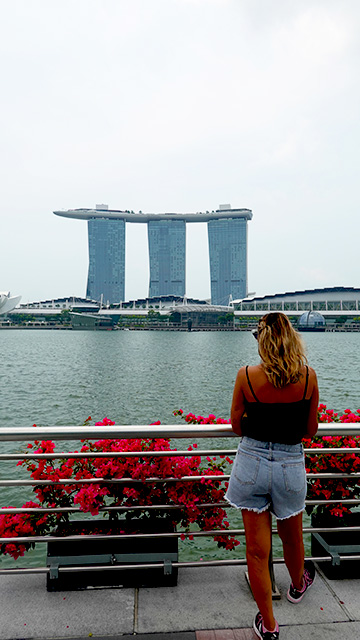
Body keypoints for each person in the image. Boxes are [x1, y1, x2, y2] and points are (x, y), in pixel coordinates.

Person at [225, 312, 319, 640]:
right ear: (291, 338)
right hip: (290, 465)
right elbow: (310, 430)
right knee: (292, 537)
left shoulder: (246, 376)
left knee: (256, 551)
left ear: (262, 342)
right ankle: (296, 586)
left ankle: (269, 625)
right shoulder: (308, 378)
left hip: (251, 463)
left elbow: (237, 425)